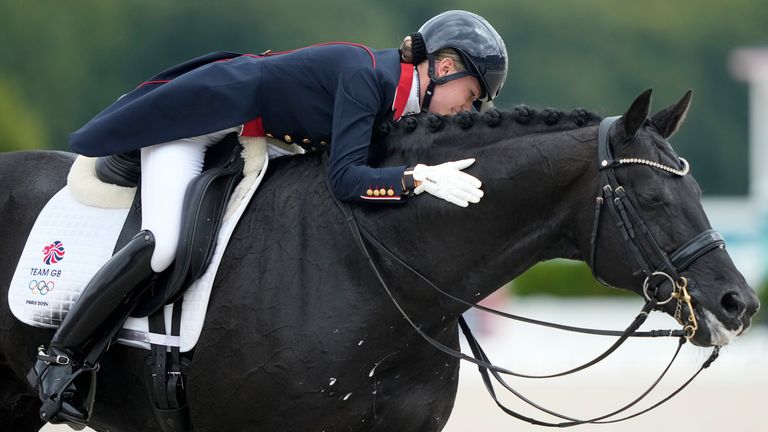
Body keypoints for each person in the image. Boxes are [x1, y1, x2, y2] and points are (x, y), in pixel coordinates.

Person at [27, 10, 508, 426]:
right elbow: (344, 179)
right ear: (444, 68)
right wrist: (413, 180)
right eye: (471, 96)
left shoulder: (398, 96)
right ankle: (61, 357)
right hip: (198, 124)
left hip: (256, 137)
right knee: (166, 242)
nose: (469, 109)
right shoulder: (369, 78)